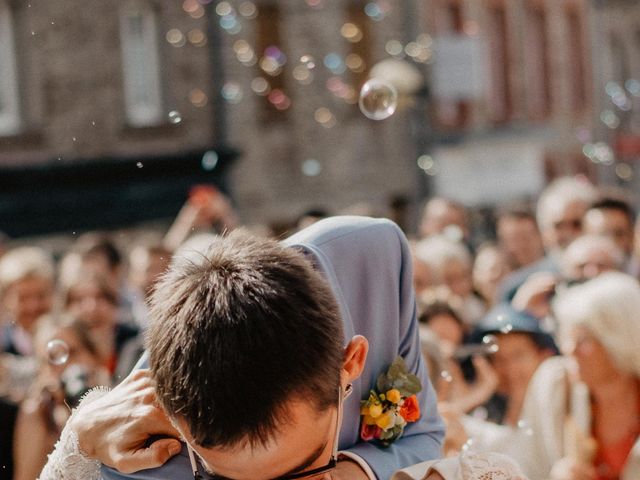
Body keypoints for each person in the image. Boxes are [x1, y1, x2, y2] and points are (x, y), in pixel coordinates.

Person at [40, 216, 444, 480]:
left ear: (350, 364)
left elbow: (424, 434)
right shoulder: (138, 457)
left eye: (301, 472)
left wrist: (354, 470)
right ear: (179, 421)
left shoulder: (376, 257)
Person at [518, 272, 640, 480]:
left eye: (583, 340)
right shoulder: (554, 384)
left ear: (620, 342)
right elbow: (525, 467)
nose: (569, 349)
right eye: (568, 336)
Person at [0, 247, 55, 357]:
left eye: (41, 296)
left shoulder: (74, 342)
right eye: (23, 298)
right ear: (6, 300)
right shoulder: (2, 347)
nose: (33, 306)